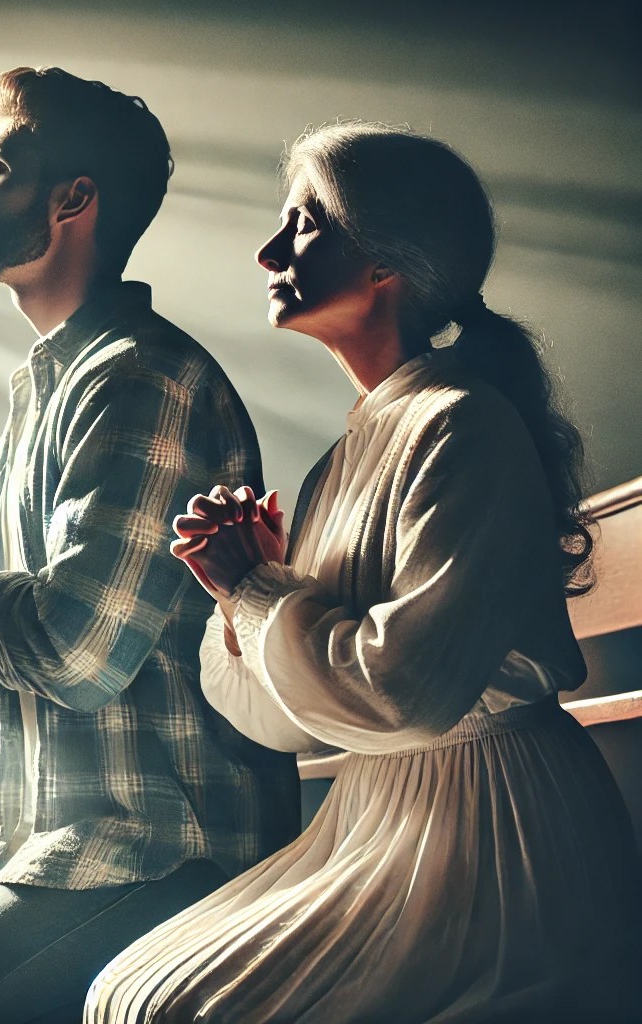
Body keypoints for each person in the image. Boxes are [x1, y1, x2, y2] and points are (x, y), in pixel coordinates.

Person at [85, 122, 639, 1023]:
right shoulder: (340, 464)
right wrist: (239, 596)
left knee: (171, 1011)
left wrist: (262, 592)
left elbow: (404, 695)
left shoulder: (463, 425)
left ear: (387, 259)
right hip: (376, 818)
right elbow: (283, 724)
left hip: (488, 837)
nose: (269, 250)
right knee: (125, 993)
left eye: (305, 224)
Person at [0, 67, 300, 1024]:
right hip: (50, 838)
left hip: (168, 846)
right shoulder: (43, 396)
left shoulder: (142, 379)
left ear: (75, 198)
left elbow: (73, 656)